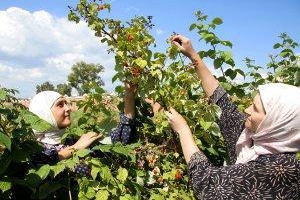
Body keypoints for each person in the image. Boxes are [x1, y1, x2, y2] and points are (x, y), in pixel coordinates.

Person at [162, 34, 300, 199]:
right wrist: (193, 55)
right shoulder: (254, 139)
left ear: (276, 122)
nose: (247, 110)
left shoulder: (281, 169)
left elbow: (208, 183)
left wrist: (183, 129)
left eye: (255, 108)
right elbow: (222, 102)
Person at [29, 83, 137, 174]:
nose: (69, 108)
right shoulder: (36, 150)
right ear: (44, 114)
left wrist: (129, 96)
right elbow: (44, 166)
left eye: (66, 103)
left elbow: (120, 141)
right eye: (60, 105)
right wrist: (75, 148)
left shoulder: (72, 139)